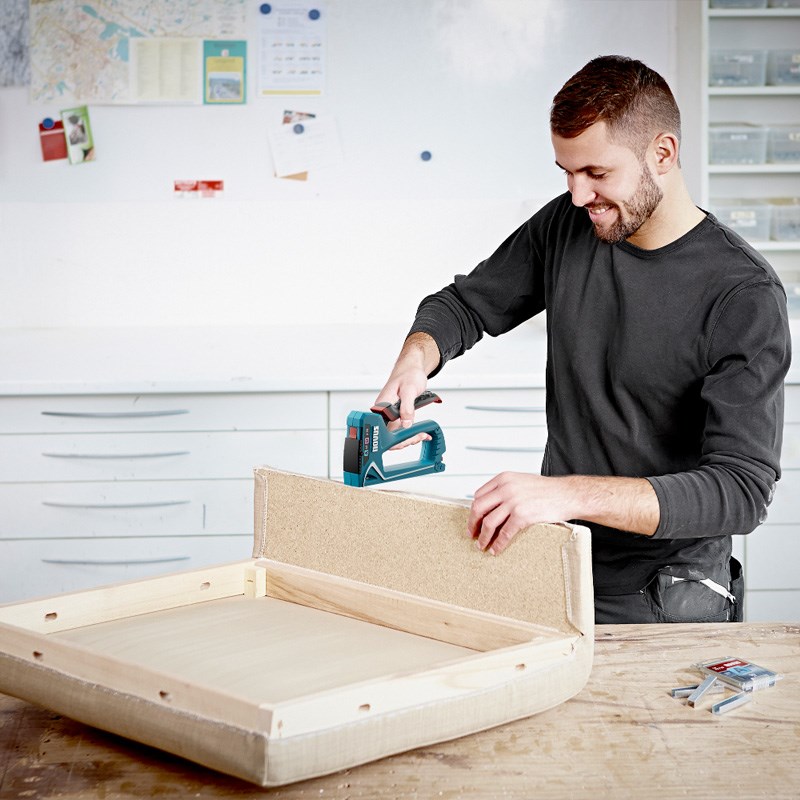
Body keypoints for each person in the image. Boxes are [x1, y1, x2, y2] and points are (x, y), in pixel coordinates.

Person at [374, 55, 791, 624]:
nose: (577, 195)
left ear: (662, 154)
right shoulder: (569, 226)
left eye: (596, 172)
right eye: (566, 172)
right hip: (560, 561)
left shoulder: (742, 294)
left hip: (666, 594)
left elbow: (741, 490)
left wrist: (566, 494)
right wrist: (416, 358)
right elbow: (465, 304)